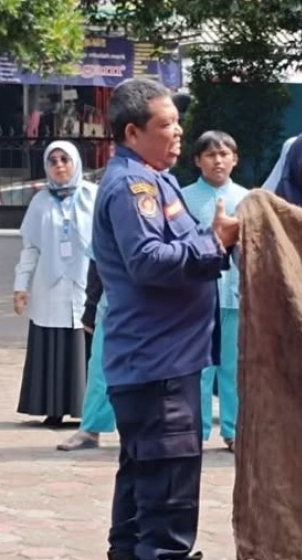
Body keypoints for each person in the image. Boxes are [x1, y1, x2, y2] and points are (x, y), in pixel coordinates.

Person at [93, 78, 239, 560]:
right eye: (166, 125)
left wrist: (213, 242)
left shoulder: (154, 179)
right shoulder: (133, 186)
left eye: (178, 123)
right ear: (132, 132)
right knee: (168, 511)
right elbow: (150, 261)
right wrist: (214, 243)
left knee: (141, 502)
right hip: (158, 370)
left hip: (159, 365)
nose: (178, 133)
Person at [14, 140, 97, 426]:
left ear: (76, 162)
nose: (59, 165)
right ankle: (53, 407)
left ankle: (89, 409)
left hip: (87, 284)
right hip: (50, 287)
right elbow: (30, 248)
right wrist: (20, 286)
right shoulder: (40, 202)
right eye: (53, 161)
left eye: (65, 159)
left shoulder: (93, 197)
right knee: (52, 344)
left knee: (86, 342)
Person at [182, 130, 249, 452]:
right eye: (210, 155)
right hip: (198, 296)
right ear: (197, 160)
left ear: (235, 159)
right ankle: (196, 428)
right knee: (199, 367)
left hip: (235, 296)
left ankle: (234, 430)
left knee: (233, 368)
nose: (218, 160)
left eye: (224, 154)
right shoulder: (182, 199)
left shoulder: (248, 199)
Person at [57, 254, 116, 451]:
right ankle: (91, 429)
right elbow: (97, 257)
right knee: (100, 368)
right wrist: (90, 306)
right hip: (115, 304)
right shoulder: (109, 221)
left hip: (158, 304)